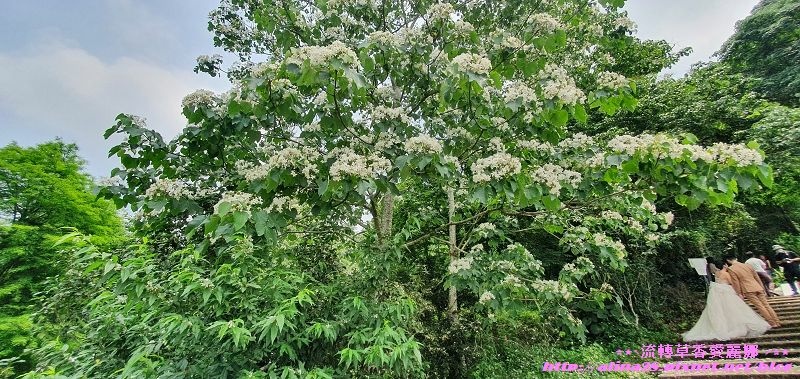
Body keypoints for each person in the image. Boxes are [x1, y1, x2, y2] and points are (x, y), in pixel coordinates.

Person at [682, 261, 771, 342]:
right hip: (727, 292)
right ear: (724, 265)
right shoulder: (727, 274)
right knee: (733, 310)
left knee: (721, 311)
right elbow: (732, 283)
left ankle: (721, 328)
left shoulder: (717, 273)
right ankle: (732, 327)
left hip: (718, 294)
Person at [725, 254, 782, 328]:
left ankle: (772, 323)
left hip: (747, 289)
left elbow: (736, 282)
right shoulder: (747, 265)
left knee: (760, 306)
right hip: (757, 286)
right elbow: (756, 277)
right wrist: (762, 287)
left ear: (728, 261)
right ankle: (777, 321)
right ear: (736, 258)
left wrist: (739, 293)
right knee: (766, 305)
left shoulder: (731, 269)